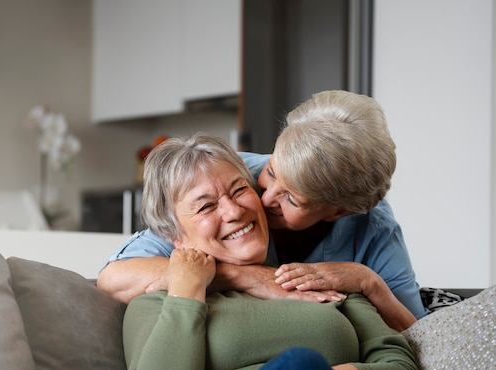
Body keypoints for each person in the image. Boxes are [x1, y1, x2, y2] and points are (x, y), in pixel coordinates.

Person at [123, 134, 422, 370]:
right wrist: (185, 292)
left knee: (298, 367)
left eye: (240, 190)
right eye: (206, 206)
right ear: (176, 237)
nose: (233, 211)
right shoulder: (156, 303)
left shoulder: (320, 283)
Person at [98, 90, 428, 330]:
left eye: (293, 200)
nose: (266, 198)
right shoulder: (230, 179)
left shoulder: (372, 226)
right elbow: (115, 278)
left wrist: (367, 282)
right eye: (271, 172)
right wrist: (243, 276)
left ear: (337, 212)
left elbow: (421, 336)